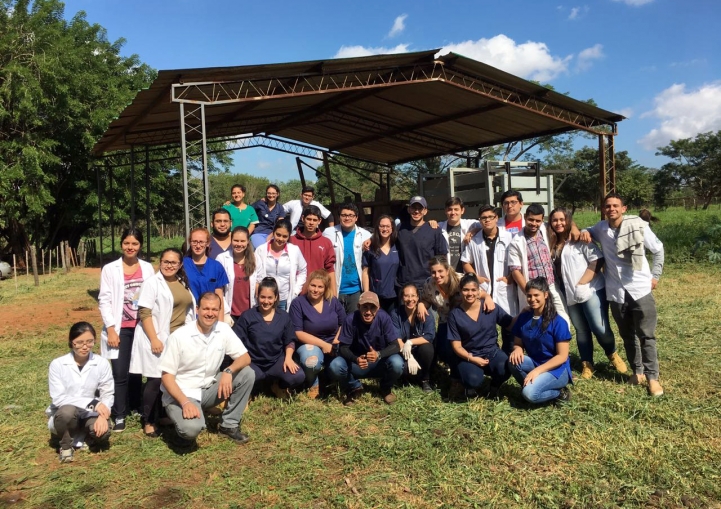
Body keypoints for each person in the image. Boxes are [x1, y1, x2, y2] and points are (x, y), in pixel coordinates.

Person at [580, 193, 665, 397]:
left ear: (623, 208)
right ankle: (638, 372)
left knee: (646, 336)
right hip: (616, 292)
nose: (611, 209)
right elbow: (588, 231)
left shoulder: (638, 226)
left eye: (615, 206)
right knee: (627, 335)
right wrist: (583, 230)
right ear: (604, 209)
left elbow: (658, 249)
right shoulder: (601, 228)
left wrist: (655, 276)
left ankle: (653, 378)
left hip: (639, 289)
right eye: (608, 206)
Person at [159, 292, 255, 448]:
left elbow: (245, 358)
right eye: (206, 309)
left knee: (247, 373)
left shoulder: (223, 329)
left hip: (208, 387)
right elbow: (167, 377)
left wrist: (228, 371)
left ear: (219, 311)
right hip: (182, 393)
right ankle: (180, 419)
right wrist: (184, 403)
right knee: (191, 429)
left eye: (214, 310)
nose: (210, 314)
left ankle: (229, 425)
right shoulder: (179, 337)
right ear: (197, 309)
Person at [548, 208, 627, 379]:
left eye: (562, 219)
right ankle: (587, 363)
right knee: (581, 330)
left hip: (591, 289)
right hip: (569, 293)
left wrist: (583, 281)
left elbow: (597, 259)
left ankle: (612, 354)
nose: (559, 223)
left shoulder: (579, 239)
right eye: (555, 220)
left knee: (599, 327)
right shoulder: (552, 243)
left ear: (569, 220)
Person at [129, 248, 195, 437]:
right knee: (155, 379)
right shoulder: (152, 283)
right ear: (160, 262)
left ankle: (161, 415)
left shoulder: (181, 281)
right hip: (157, 337)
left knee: (168, 378)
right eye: (166, 262)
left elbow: (188, 309)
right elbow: (145, 312)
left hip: (175, 338)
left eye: (174, 263)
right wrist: (154, 338)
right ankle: (149, 420)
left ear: (180, 264)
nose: (169, 266)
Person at [98, 227, 154, 432]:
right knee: (120, 372)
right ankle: (119, 414)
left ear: (140, 246)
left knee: (137, 369)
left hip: (141, 327)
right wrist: (111, 329)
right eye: (127, 243)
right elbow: (104, 300)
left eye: (135, 244)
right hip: (120, 328)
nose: (130, 247)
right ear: (121, 244)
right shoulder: (110, 269)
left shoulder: (147, 268)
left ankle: (136, 405)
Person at [47, 322, 113, 463]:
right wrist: (92, 403)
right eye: (80, 342)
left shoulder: (101, 363)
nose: (85, 346)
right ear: (72, 342)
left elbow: (107, 392)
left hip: (90, 413)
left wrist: (103, 415)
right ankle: (65, 446)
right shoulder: (58, 364)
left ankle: (88, 434)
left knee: (103, 433)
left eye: (90, 341)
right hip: (67, 412)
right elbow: (58, 398)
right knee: (67, 413)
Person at [233, 277, 305, 399]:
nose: (266, 301)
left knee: (297, 376)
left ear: (276, 297)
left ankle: (278, 386)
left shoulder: (283, 317)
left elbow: (290, 340)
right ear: (257, 296)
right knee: (245, 377)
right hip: (253, 362)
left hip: (276, 361)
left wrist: (288, 358)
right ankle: (248, 393)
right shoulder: (248, 316)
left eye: (270, 297)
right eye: (262, 297)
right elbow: (236, 341)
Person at [327, 291, 404, 405]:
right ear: (358, 307)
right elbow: (343, 348)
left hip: (379, 363)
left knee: (397, 363)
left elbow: (396, 345)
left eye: (372, 307)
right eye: (365, 307)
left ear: (378, 308)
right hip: (357, 364)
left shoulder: (384, 318)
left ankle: (385, 387)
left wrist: (379, 354)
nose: (368, 312)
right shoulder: (350, 319)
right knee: (335, 365)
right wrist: (355, 359)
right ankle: (354, 387)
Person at [448, 274, 514, 399]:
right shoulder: (455, 315)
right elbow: (456, 346)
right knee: (472, 379)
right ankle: (469, 386)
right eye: (465, 290)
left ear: (479, 291)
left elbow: (510, 324)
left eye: (473, 290)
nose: (469, 293)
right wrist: (472, 359)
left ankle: (494, 387)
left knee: (506, 367)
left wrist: (526, 313)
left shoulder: (489, 307)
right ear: (460, 292)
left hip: (491, 351)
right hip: (469, 354)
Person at [509, 277, 573, 405]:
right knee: (513, 361)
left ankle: (559, 393)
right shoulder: (524, 317)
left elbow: (562, 356)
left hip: (557, 369)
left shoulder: (558, 322)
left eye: (536, 295)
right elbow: (518, 342)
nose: (532, 299)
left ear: (545, 295)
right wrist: (517, 349)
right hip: (535, 362)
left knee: (529, 395)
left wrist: (537, 371)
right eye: (529, 296)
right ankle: (532, 385)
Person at [461, 205, 516, 353]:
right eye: (483, 218)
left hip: (504, 290)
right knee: (486, 327)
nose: (487, 220)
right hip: (484, 290)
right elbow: (465, 261)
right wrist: (475, 277)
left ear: (496, 218)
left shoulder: (509, 237)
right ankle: (491, 355)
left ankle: (508, 359)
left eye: (490, 217)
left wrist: (511, 277)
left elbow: (518, 259)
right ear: (480, 220)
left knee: (508, 326)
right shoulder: (475, 240)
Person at [507, 203, 570, 326]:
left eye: (538, 221)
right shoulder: (516, 242)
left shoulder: (545, 230)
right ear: (525, 217)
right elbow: (515, 271)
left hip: (551, 285)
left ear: (542, 220)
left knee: (563, 319)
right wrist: (529, 293)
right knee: (538, 323)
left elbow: (565, 223)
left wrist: (577, 229)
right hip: (534, 289)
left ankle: (561, 343)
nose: (534, 224)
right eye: (531, 219)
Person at [289, 269, 346, 399]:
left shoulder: (333, 301)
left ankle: (329, 380)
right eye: (313, 285)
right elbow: (298, 332)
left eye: (320, 287)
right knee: (311, 361)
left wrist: (335, 342)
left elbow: (344, 323)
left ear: (325, 288)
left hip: (333, 344)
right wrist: (323, 345)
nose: (316, 290)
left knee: (339, 366)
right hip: (309, 344)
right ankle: (312, 383)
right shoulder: (298, 303)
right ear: (308, 285)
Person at [323, 202, 372, 313]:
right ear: (339, 216)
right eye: (344, 215)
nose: (347, 218)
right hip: (334, 289)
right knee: (335, 323)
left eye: (351, 215)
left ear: (356, 218)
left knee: (354, 323)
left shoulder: (366, 235)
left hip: (356, 290)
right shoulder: (328, 233)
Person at [396, 196, 448, 293]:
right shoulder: (400, 229)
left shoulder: (434, 230)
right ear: (408, 209)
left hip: (427, 284)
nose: (416, 211)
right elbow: (384, 240)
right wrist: (369, 240)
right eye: (413, 208)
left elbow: (442, 258)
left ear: (425, 211)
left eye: (420, 208)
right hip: (404, 283)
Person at [255, 219, 307, 310]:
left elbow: (303, 270)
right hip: (266, 299)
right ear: (273, 232)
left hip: (285, 299)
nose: (280, 239)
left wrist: (296, 290)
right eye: (278, 235)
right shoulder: (261, 250)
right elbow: (255, 273)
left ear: (289, 236)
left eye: (284, 236)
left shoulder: (294, 250)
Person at [392, 283, 435, 393]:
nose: (410, 299)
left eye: (413, 296)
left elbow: (429, 336)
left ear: (417, 297)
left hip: (420, 350)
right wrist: (409, 356)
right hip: (403, 352)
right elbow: (397, 338)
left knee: (427, 348)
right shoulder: (396, 314)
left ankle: (425, 379)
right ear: (402, 298)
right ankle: (407, 376)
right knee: (404, 369)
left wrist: (410, 342)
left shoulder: (426, 313)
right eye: (406, 296)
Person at [290, 205, 336, 295]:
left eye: (315, 220)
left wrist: (333, 295)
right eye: (309, 219)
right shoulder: (291, 241)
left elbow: (330, 270)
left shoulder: (326, 243)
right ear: (303, 218)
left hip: (318, 293)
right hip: (295, 293)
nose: (311, 223)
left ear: (319, 221)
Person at [217, 226, 259, 324]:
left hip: (250, 313)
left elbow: (259, 283)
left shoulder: (256, 258)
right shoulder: (222, 258)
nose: (239, 244)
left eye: (242, 241)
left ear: (248, 241)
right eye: (236, 240)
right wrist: (225, 311)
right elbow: (219, 289)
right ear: (231, 240)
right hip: (230, 313)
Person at [184, 227, 229, 318]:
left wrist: (220, 323)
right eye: (194, 242)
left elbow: (219, 296)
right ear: (190, 242)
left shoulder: (216, 267)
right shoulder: (182, 265)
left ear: (207, 243)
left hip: (210, 315)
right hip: (188, 315)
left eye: (201, 242)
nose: (198, 245)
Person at [362, 215, 400, 315]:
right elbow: (366, 271)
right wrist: (367, 293)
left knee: (392, 325)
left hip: (394, 294)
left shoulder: (398, 246)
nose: (385, 229)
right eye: (382, 226)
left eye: (387, 226)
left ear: (392, 228)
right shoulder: (370, 248)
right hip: (376, 294)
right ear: (377, 228)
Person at [438, 197, 480, 274]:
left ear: (462, 210)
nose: (453, 212)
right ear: (445, 211)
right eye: (450, 209)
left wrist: (473, 231)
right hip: (447, 274)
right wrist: (432, 222)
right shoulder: (439, 227)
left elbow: (487, 225)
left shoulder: (470, 225)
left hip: (465, 274)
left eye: (456, 209)